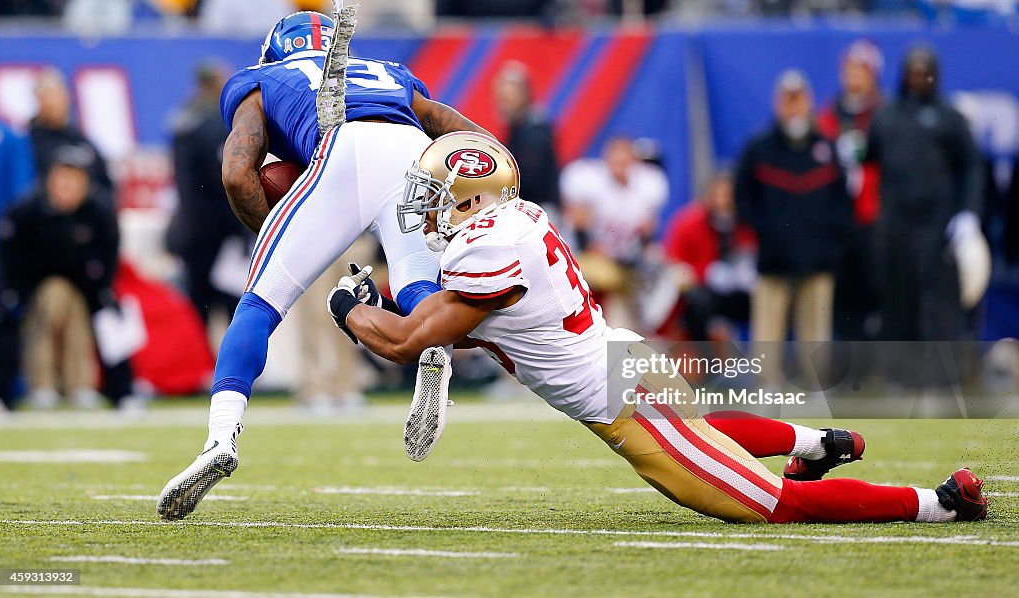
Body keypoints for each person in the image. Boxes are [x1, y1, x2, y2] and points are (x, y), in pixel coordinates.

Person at [323, 131, 988, 525]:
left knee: (777, 506)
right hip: (624, 359)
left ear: (472, 199)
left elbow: (411, 341)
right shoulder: (518, 219)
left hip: (625, 403)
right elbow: (474, 328)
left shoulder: (483, 250)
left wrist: (348, 308)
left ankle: (941, 502)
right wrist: (379, 302)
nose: (429, 214)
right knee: (702, 431)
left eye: (437, 199)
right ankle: (818, 440)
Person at [156, 10, 492, 521]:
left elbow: (234, 173)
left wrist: (275, 232)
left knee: (260, 303)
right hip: (412, 152)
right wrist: (495, 170)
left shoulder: (262, 79)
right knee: (414, 281)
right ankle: (435, 351)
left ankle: (220, 437)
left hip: (341, 149)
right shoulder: (387, 71)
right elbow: (452, 125)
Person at [734, 70, 852, 383]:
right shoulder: (760, 148)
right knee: (767, 337)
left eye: (799, 100)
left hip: (817, 261)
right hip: (773, 261)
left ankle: (816, 392)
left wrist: (829, 243)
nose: (794, 108)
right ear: (777, 104)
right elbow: (742, 199)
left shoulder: (826, 149)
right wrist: (767, 233)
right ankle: (765, 391)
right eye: (788, 100)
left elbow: (842, 203)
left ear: (809, 103)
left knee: (815, 335)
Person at [0, 149, 135, 409]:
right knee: (9, 313)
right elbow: (10, 261)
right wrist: (12, 293)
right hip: (32, 284)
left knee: (109, 314)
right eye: (62, 180)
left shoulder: (100, 213)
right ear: (49, 181)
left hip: (86, 284)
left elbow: (107, 261)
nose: (67, 187)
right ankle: (14, 391)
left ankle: (118, 392)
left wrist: (102, 290)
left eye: (75, 180)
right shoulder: (24, 213)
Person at [866, 46, 984, 343]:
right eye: (913, 73)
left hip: (935, 221)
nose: (918, 79)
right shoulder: (885, 117)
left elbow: (971, 166)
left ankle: (938, 375)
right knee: (896, 295)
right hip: (894, 220)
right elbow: (868, 162)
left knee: (936, 296)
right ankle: (900, 375)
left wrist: (969, 213)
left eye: (924, 73)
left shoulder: (948, 117)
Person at [167, 62, 247, 325]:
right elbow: (224, 181)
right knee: (229, 308)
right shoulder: (212, 125)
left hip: (194, 231)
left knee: (200, 308)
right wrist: (242, 228)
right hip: (215, 234)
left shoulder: (184, 121)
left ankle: (204, 364)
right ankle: (225, 365)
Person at [560, 136, 669, 329]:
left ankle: (646, 329)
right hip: (587, 256)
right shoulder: (589, 181)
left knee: (658, 269)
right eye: (615, 160)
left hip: (626, 259)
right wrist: (593, 248)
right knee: (603, 277)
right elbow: (577, 223)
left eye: (625, 160)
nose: (620, 166)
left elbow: (648, 229)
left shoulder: (647, 184)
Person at [815, 40, 884, 341]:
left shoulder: (884, 115)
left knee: (877, 288)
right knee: (842, 294)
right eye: (849, 70)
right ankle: (848, 364)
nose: (853, 77)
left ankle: (876, 363)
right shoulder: (829, 116)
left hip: (875, 217)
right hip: (838, 219)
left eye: (861, 70)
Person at [662, 173, 756, 341]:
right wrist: (703, 273)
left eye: (728, 196)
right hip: (703, 292)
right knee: (696, 302)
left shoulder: (746, 223)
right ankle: (709, 363)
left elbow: (753, 253)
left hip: (739, 291)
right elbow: (673, 263)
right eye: (719, 196)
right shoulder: (689, 222)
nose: (723, 202)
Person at [0, 116, 37, 412]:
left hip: (3, 248)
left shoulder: (7, 136)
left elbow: (22, 197)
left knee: (4, 316)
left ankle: (5, 390)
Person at [28, 69, 114, 196]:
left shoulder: (82, 143)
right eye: (46, 96)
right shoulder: (27, 144)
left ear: (67, 97)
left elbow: (105, 188)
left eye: (55, 95)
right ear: (38, 101)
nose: (52, 102)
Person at [493, 61, 560, 213]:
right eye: (501, 100)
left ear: (524, 96)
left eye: (508, 99)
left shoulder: (535, 131)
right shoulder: (516, 127)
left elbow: (529, 180)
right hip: (527, 209)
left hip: (540, 211)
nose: (503, 106)